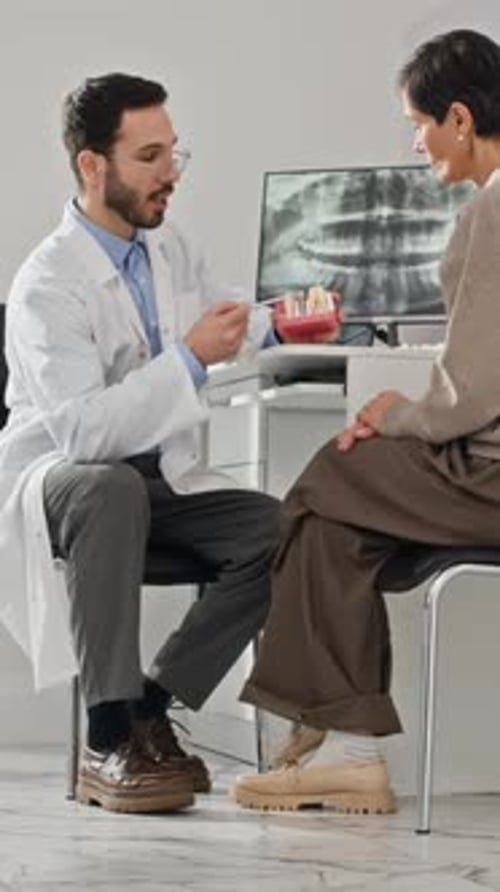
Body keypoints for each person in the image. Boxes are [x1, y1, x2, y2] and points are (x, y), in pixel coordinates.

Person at [233, 28, 500, 814]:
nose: (415, 145)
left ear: (458, 117)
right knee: (334, 518)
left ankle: (341, 747)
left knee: (324, 483)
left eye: (416, 125)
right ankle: (342, 753)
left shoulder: (492, 210)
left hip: (488, 474)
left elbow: (475, 395)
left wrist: (396, 415)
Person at [0, 73, 280, 814]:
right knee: (110, 484)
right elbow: (85, 434)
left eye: (174, 155)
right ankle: (105, 736)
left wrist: (285, 321)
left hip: (163, 479)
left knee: (283, 529)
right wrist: (189, 356)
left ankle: (149, 709)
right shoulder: (46, 284)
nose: (171, 176)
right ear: (93, 167)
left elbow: (230, 314)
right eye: (151, 157)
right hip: (65, 482)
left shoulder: (169, 245)